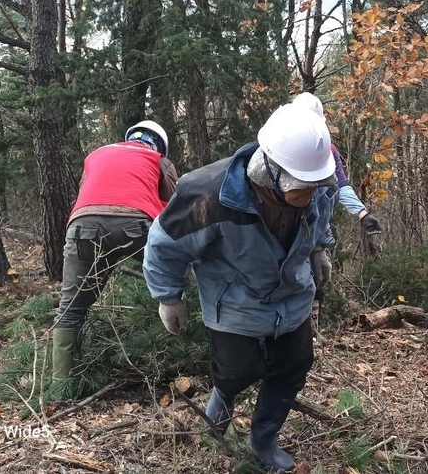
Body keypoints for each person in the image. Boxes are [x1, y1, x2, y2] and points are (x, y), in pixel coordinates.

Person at [143, 103, 336, 472]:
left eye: (315, 186)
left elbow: (321, 218)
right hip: (234, 299)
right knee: (238, 370)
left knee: (295, 363)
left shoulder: (317, 184)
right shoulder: (209, 195)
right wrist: (168, 296)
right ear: (272, 173)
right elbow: (165, 243)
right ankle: (220, 407)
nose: (310, 194)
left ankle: (264, 439)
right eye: (301, 189)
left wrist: (320, 249)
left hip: (291, 295)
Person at [51, 120, 178, 392]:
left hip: (82, 226)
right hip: (135, 224)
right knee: (176, 277)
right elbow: (174, 206)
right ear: (161, 145)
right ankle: (184, 341)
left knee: (70, 308)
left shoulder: (95, 155)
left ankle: (60, 386)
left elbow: (91, 195)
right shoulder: (157, 159)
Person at [291, 92, 384, 250]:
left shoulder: (328, 150)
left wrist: (362, 213)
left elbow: (340, 185)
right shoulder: (277, 148)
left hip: (313, 230)